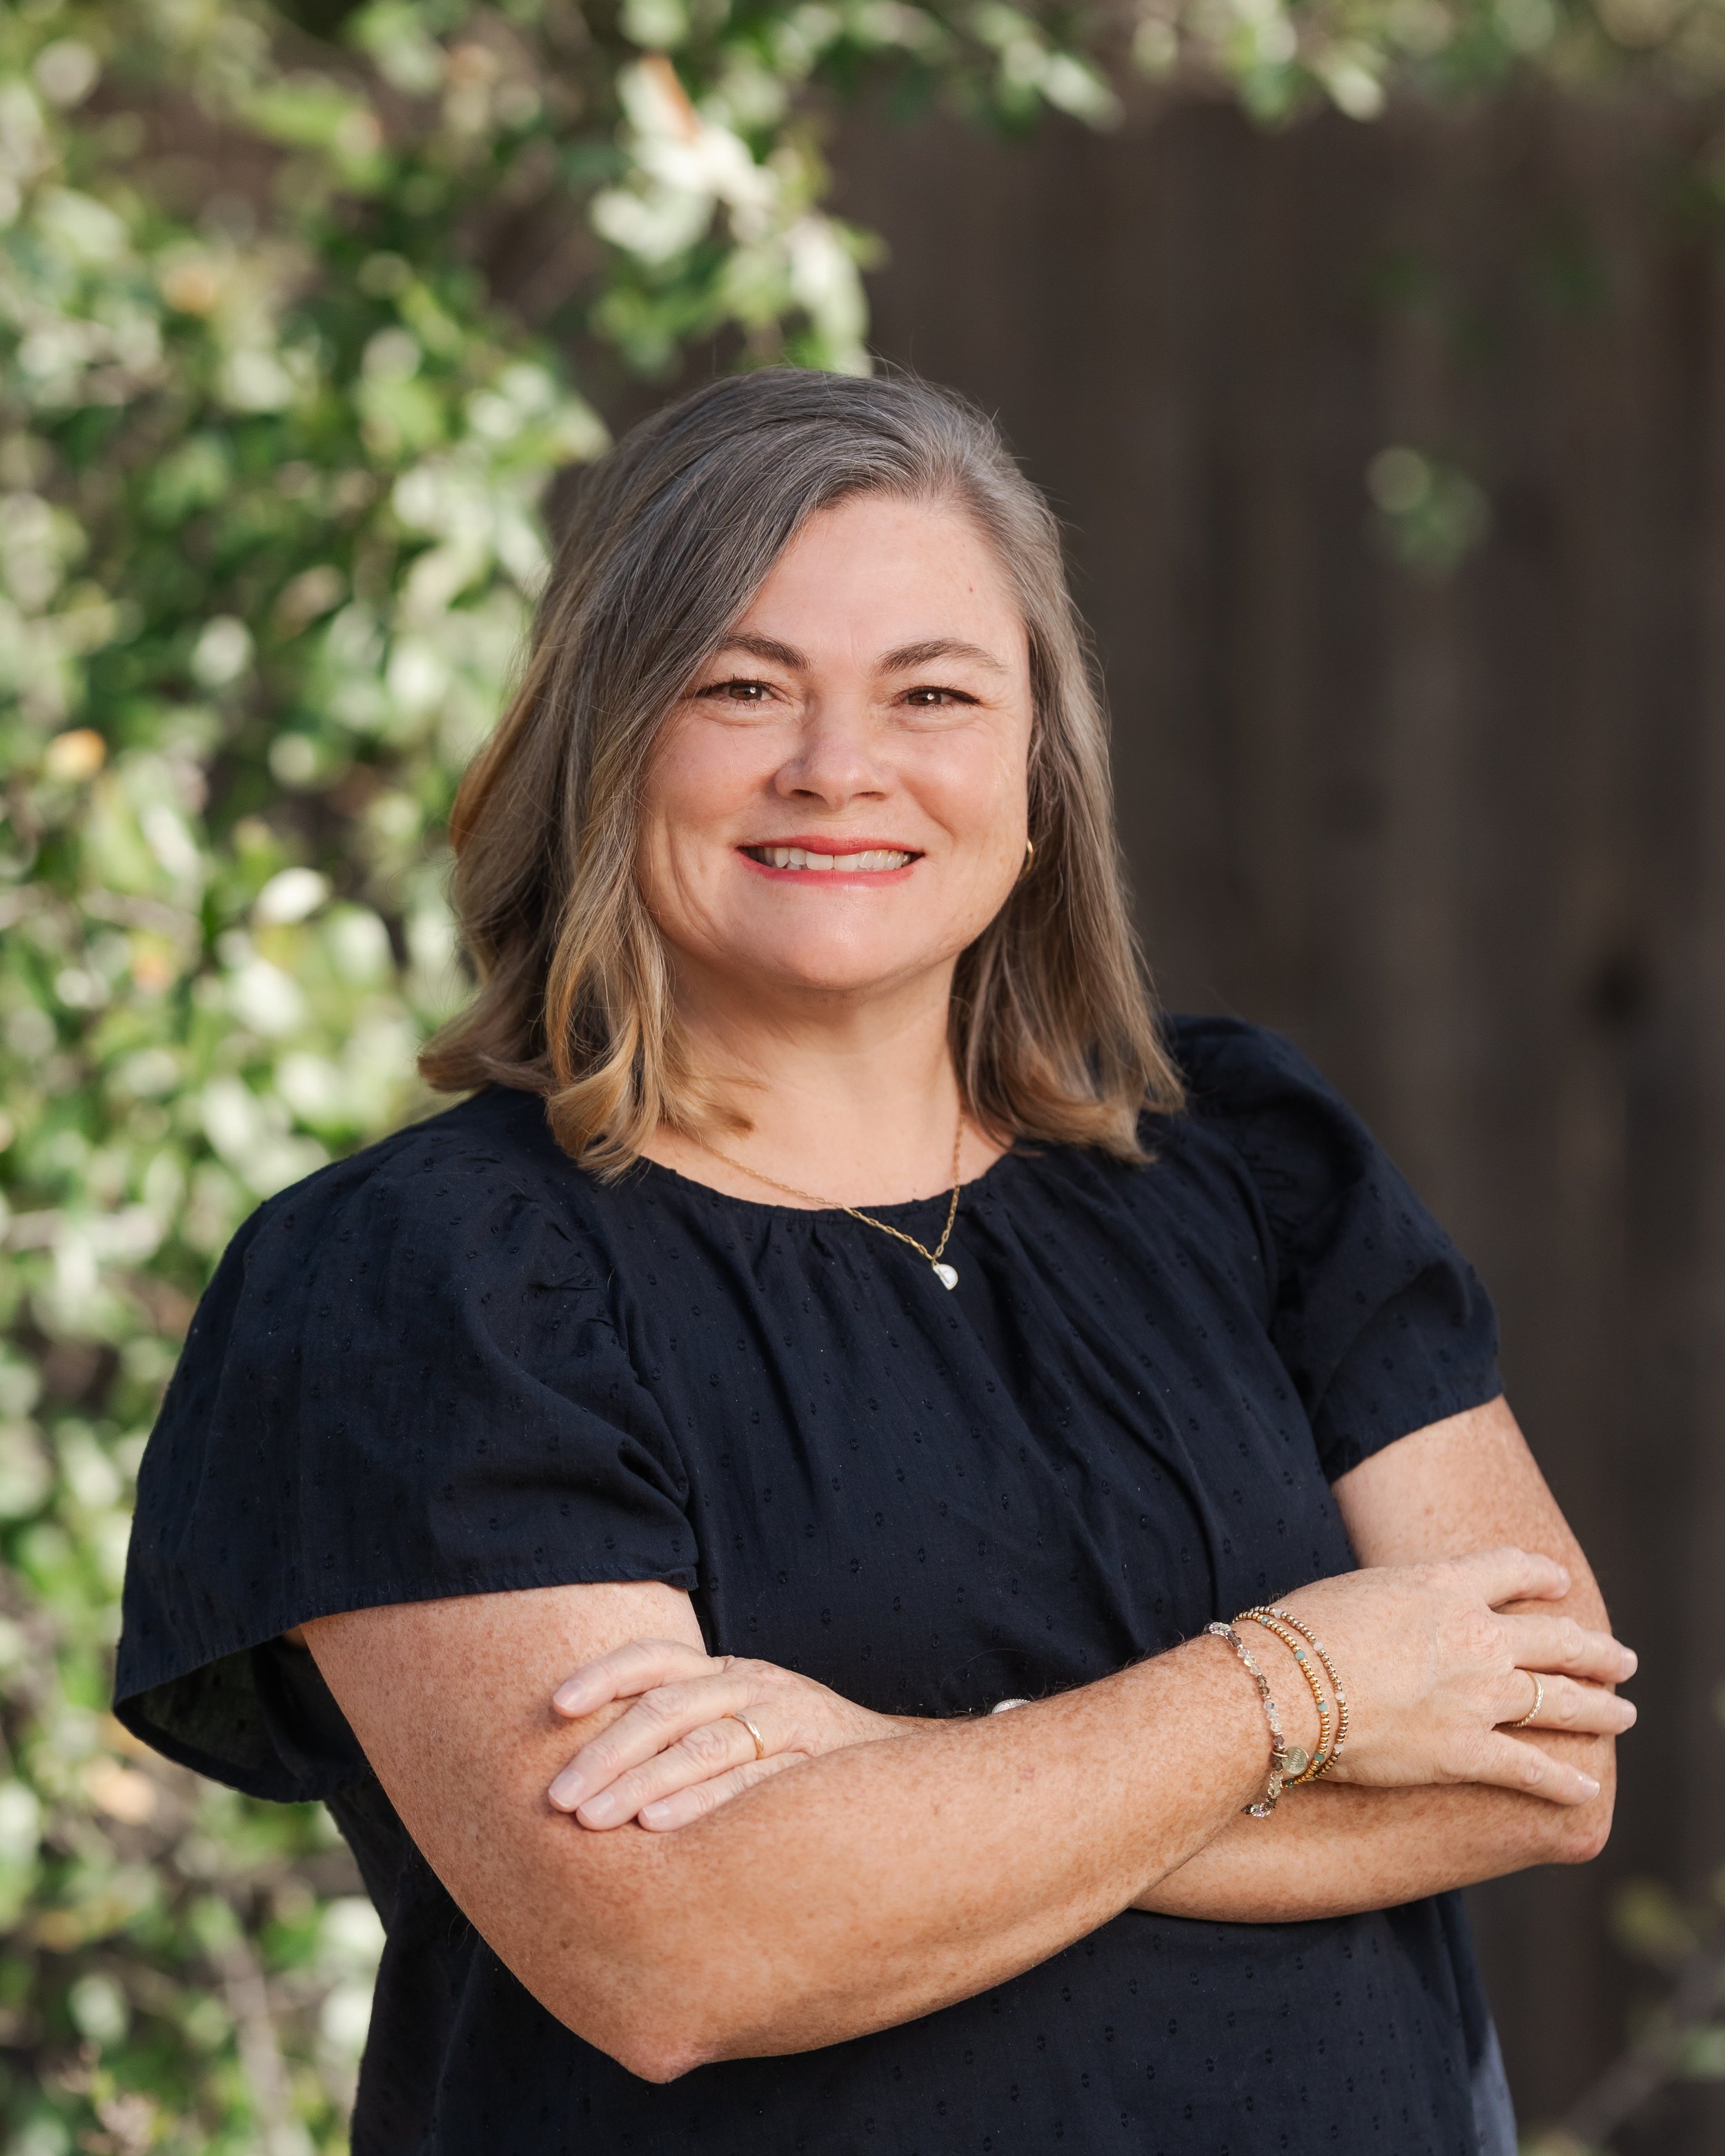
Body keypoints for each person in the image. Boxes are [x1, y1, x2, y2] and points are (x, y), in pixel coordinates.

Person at [117, 369, 1637, 2156]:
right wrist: (1296, 1686)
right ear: (604, 741)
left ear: (1033, 767)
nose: (839, 768)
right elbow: (685, 1947)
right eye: (743, 687)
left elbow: (1543, 1762)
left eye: (930, 693)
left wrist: (877, 1770)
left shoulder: (1248, 1163)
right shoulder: (419, 1281)